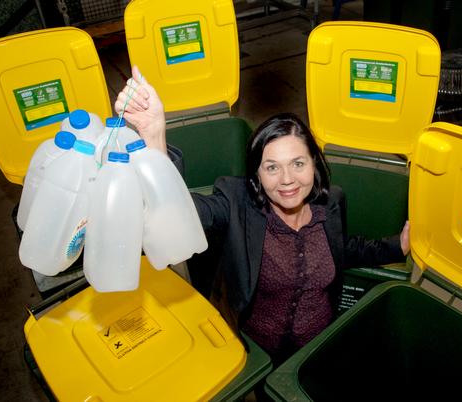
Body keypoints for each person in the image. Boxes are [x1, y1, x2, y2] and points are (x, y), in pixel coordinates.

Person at [115, 66, 410, 366]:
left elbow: (343, 249)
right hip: (257, 352)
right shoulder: (236, 203)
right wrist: (154, 138)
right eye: (271, 167)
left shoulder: (331, 203)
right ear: (256, 174)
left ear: (315, 165)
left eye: (298, 163)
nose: (287, 179)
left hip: (319, 346)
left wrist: (397, 245)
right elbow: (178, 213)